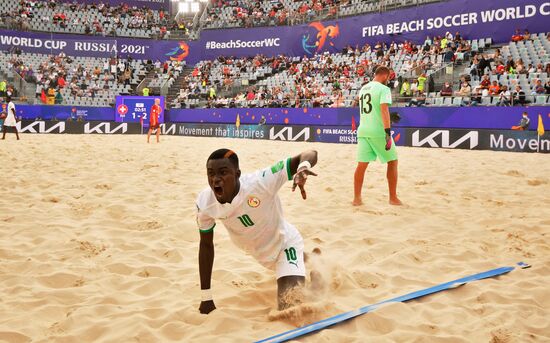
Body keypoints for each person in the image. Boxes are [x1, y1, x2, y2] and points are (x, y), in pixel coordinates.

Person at [196, 148, 318, 314]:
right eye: (210, 173)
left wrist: (302, 167)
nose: (215, 179)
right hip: (261, 254)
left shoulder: (261, 182)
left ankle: (315, 271)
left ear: (237, 174)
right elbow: (206, 246)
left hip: (285, 245)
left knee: (290, 309)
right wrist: (206, 297)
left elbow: (311, 153)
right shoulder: (205, 203)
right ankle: (314, 260)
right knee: (297, 270)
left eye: (223, 173)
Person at [353, 66, 402, 206]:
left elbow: (371, 110)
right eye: (389, 77)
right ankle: (393, 198)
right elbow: (383, 110)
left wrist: (388, 117)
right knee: (392, 161)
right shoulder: (383, 89)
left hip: (363, 130)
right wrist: (387, 131)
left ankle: (357, 199)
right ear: (385, 76)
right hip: (378, 131)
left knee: (361, 165)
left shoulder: (363, 88)